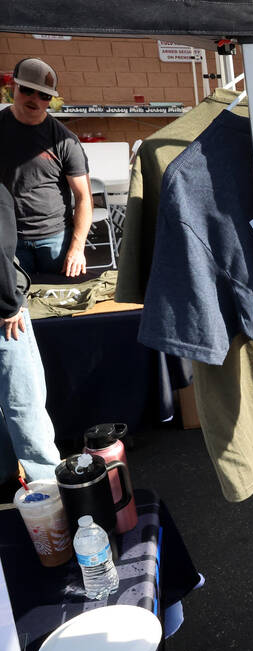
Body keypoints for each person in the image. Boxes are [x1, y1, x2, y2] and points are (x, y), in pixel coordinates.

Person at [0, 58, 91, 277]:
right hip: (9, 238)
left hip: (55, 240)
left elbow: (84, 197)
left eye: (44, 95)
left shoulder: (64, 140)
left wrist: (77, 249)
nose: (35, 99)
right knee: (17, 307)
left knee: (60, 305)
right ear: (14, 86)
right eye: (28, 90)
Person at [0, 183, 62, 493]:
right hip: (3, 315)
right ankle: (47, 487)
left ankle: (6, 479)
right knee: (23, 402)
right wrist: (8, 301)